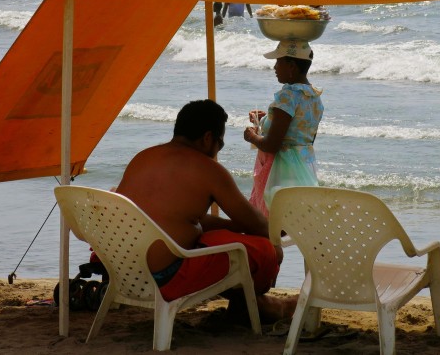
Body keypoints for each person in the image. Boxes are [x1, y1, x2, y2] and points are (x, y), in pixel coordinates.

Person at [115, 99, 289, 321]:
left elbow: (177, 218)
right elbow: (256, 224)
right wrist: (276, 232)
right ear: (208, 138)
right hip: (167, 278)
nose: (218, 149)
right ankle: (253, 304)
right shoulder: (209, 170)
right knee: (265, 249)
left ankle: (252, 305)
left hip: (123, 269)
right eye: (220, 143)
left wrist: (235, 226)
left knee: (221, 234)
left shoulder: (143, 157)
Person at [243, 40, 324, 216]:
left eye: (278, 62)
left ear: (291, 66)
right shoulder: (314, 96)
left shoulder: (287, 95)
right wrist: (267, 119)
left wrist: (251, 136)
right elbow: (300, 133)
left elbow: (272, 145)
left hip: (280, 168)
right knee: (292, 220)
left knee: (271, 221)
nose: (274, 67)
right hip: (302, 165)